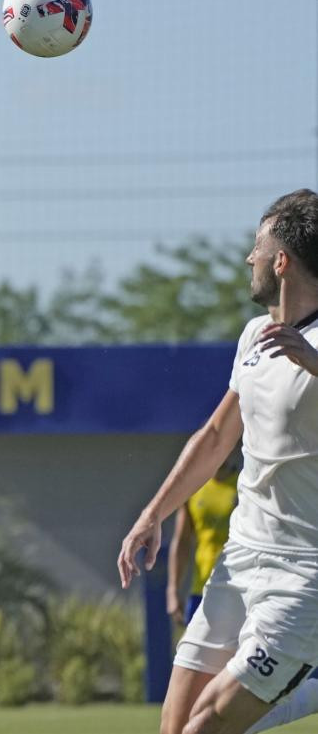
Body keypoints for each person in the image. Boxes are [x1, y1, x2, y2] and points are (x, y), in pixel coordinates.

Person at [119, 189, 318, 734]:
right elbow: (213, 436)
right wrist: (152, 514)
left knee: (206, 725)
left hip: (305, 576)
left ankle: (302, 691)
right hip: (239, 559)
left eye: (257, 248)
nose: (248, 259)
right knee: (175, 723)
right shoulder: (255, 336)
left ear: (281, 262)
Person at [167, 451, 239, 627]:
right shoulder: (194, 489)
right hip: (201, 588)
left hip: (237, 589)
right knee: (192, 653)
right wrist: (173, 589)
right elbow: (182, 540)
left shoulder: (245, 484)